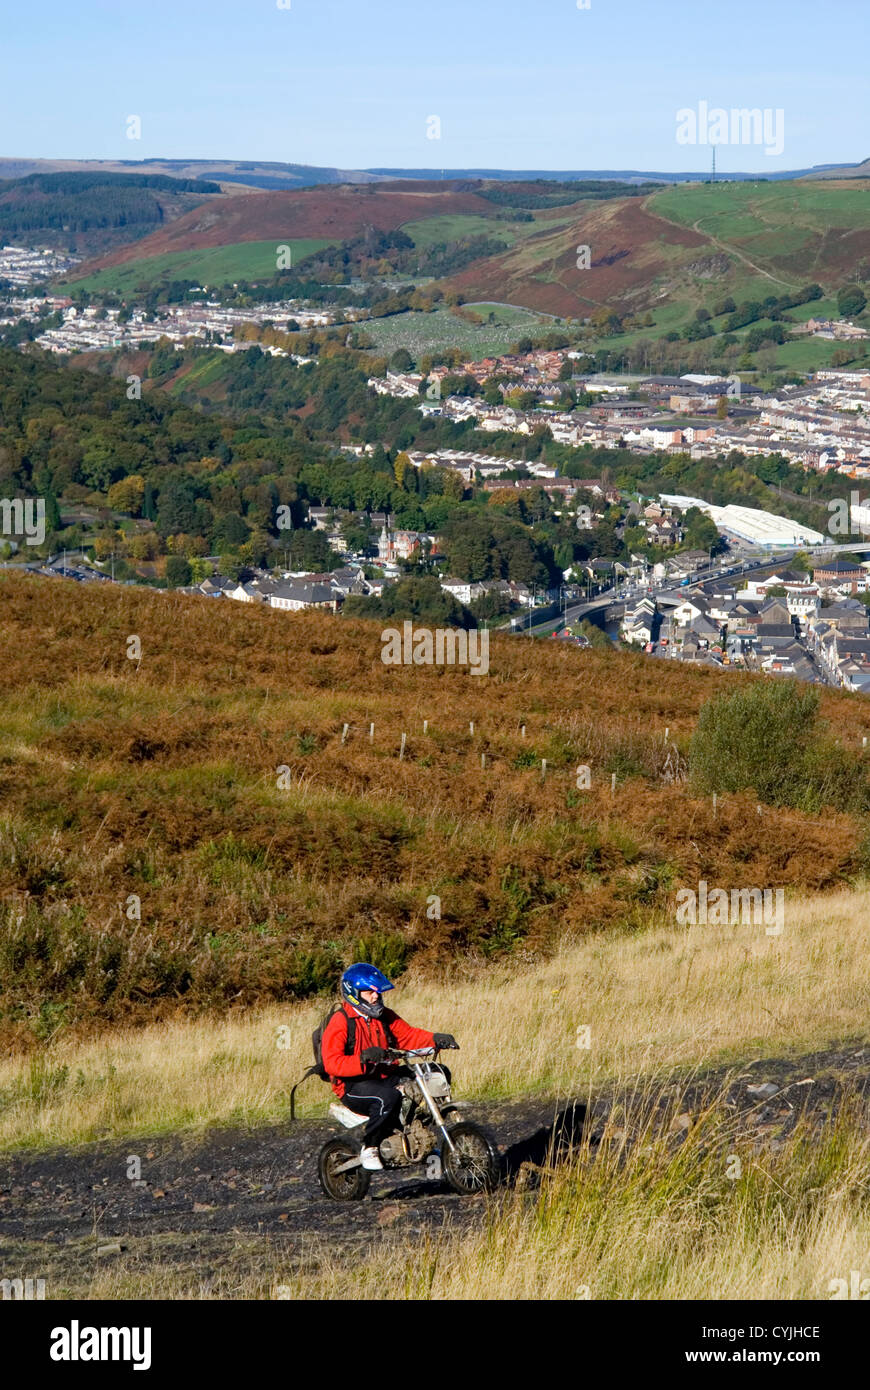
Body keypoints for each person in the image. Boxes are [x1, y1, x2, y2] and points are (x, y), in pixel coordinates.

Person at [322, 963, 458, 1170]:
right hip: (353, 1085)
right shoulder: (340, 1021)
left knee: (437, 1072)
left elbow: (409, 1036)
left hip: (385, 1074)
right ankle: (370, 1147)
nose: (376, 996)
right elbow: (332, 1063)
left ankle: (417, 1134)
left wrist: (435, 1039)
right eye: (369, 992)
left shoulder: (384, 1015)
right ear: (354, 993)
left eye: (377, 992)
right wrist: (362, 1059)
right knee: (387, 1096)